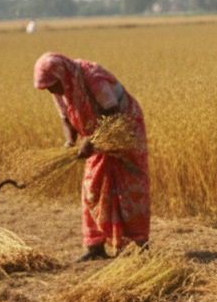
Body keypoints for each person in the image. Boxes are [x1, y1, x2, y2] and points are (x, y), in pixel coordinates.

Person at [33, 52, 150, 261]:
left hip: (124, 128)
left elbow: (113, 113)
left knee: (129, 185)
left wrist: (91, 141)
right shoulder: (60, 88)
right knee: (92, 186)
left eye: (52, 85)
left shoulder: (92, 77)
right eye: (47, 87)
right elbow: (66, 120)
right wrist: (70, 143)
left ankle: (139, 244)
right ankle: (95, 246)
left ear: (61, 74)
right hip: (96, 135)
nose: (51, 90)